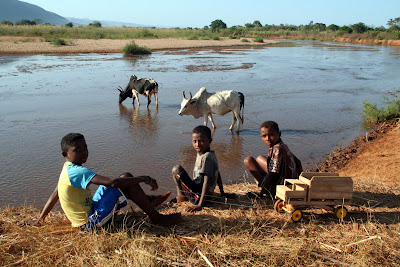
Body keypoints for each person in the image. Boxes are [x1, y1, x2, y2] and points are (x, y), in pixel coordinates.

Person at [22, 133, 180, 230]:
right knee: (121, 182)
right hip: (90, 224)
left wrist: (40, 220)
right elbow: (112, 183)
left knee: (125, 176)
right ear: (65, 153)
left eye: (85, 147)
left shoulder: (67, 169)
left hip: (91, 211)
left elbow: (55, 194)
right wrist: (145, 178)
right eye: (77, 150)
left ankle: (148, 201)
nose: (84, 152)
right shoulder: (78, 172)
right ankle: (156, 217)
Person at [171, 125, 235, 212]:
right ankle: (183, 196)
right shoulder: (207, 153)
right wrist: (222, 193)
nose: (197, 144)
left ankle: (182, 197)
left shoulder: (207, 157)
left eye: (201, 141)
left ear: (209, 141)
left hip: (199, 197)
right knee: (179, 170)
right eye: (194, 141)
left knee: (176, 170)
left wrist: (200, 205)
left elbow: (207, 181)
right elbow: (217, 173)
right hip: (201, 190)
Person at [243, 121, 303, 198]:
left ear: (279, 134)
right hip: (288, 181)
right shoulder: (282, 145)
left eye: (271, 135)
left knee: (248, 160)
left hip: (280, 187)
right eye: (264, 136)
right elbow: (298, 162)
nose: (267, 139)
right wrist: (299, 181)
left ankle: (268, 191)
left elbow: (272, 175)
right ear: (261, 136)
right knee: (259, 158)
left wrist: (262, 194)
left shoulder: (277, 149)